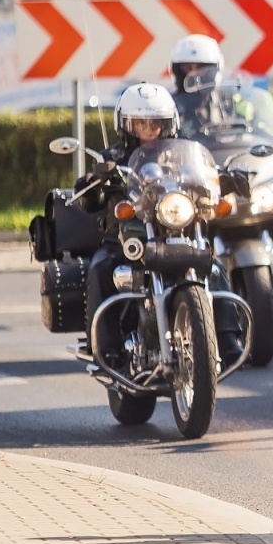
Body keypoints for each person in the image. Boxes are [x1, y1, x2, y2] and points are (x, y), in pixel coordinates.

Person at [80, 83, 181, 365]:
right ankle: (105, 349)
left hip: (171, 235)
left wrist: (221, 179)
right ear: (126, 126)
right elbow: (89, 200)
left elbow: (201, 176)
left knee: (213, 260)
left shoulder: (178, 156)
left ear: (169, 124)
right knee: (101, 268)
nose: (149, 130)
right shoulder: (111, 158)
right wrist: (93, 183)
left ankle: (226, 336)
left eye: (156, 123)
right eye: (141, 124)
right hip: (125, 241)